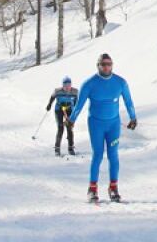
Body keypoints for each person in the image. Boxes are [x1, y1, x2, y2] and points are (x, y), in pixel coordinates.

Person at [69, 53, 137, 203]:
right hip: (96, 124)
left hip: (113, 125)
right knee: (98, 154)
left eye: (109, 64)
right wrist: (72, 120)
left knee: (113, 155)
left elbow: (128, 101)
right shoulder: (89, 84)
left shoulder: (120, 82)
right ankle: (92, 189)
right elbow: (79, 105)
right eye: (103, 64)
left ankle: (113, 188)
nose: (107, 67)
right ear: (98, 65)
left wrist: (133, 117)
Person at [46, 76, 80, 156]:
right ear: (62, 85)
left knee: (69, 128)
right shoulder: (57, 91)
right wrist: (49, 105)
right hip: (59, 110)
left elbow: (76, 101)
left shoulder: (75, 91)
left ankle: (71, 148)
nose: (67, 87)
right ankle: (57, 149)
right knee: (60, 128)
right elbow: (52, 97)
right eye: (65, 85)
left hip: (69, 110)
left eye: (69, 85)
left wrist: (74, 111)